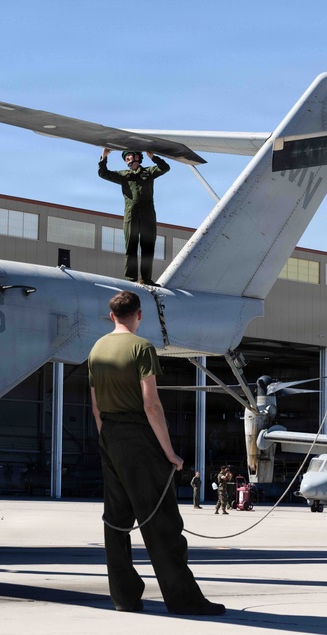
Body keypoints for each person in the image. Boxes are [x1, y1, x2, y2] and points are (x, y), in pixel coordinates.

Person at [89, 291, 225, 616]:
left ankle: (124, 596)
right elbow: (151, 404)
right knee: (161, 521)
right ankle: (184, 599)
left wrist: (107, 440)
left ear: (111, 317)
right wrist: (170, 453)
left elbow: (96, 407)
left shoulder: (96, 350)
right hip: (139, 438)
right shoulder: (142, 348)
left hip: (109, 435)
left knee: (117, 521)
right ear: (139, 315)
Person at [97, 149, 171, 285]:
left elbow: (165, 168)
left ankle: (146, 279)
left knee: (148, 247)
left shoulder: (148, 172)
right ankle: (131, 279)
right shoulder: (123, 175)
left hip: (148, 215)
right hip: (131, 215)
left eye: (131, 156)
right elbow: (103, 174)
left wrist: (153, 157)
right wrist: (104, 157)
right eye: (127, 157)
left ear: (138, 157)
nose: (129, 159)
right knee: (131, 247)